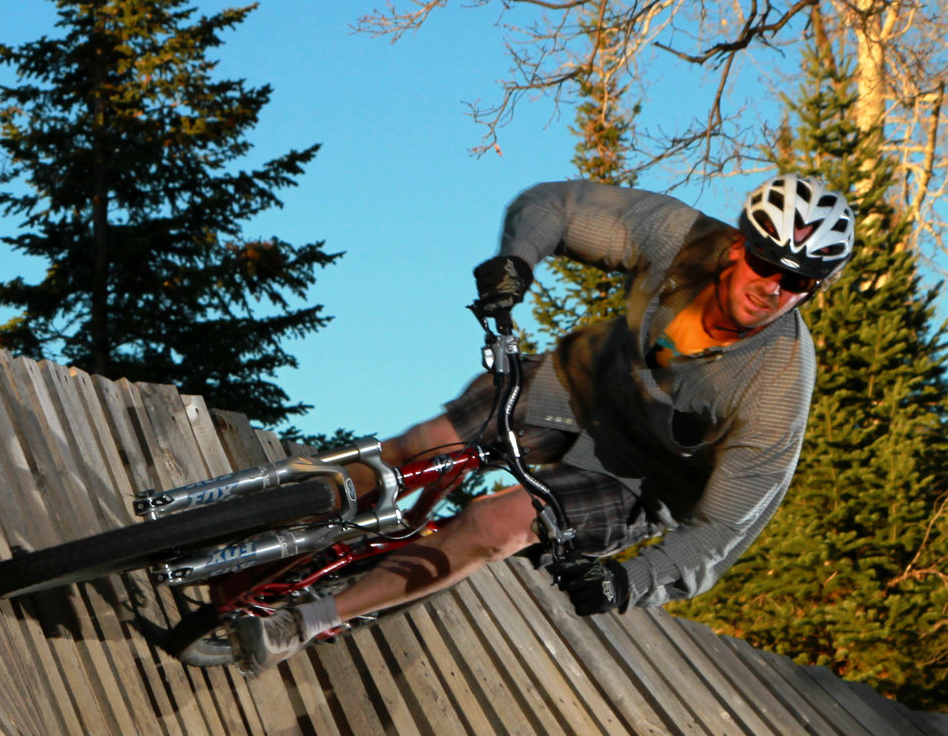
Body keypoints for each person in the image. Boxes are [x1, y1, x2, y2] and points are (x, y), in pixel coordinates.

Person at [232, 173, 855, 672]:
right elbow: (555, 204)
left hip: (638, 477)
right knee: (423, 446)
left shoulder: (777, 384)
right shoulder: (680, 239)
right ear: (740, 245)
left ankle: (308, 621)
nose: (773, 287)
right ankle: (259, 523)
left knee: (494, 521)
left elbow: (725, 528)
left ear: (812, 290)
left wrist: (628, 580)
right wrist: (518, 262)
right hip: (578, 386)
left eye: (797, 281)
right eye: (767, 263)